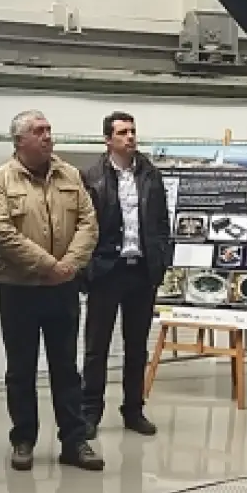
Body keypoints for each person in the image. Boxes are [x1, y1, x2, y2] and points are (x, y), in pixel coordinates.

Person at [0, 110, 102, 472]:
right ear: (19, 140)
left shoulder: (70, 175)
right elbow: (2, 233)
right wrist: (48, 265)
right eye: (38, 131)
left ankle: (74, 441)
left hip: (63, 288)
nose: (48, 136)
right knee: (21, 370)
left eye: (49, 129)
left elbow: (88, 223)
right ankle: (23, 439)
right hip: (19, 289)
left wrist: (68, 266)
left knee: (66, 368)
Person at [80, 112, 171, 439]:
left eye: (132, 131)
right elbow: (83, 225)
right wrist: (87, 268)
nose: (130, 137)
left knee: (136, 347)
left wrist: (161, 260)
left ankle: (133, 409)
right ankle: (90, 412)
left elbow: (162, 222)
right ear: (108, 140)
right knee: (97, 347)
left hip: (142, 271)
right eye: (122, 132)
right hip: (106, 271)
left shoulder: (150, 174)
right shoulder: (91, 176)